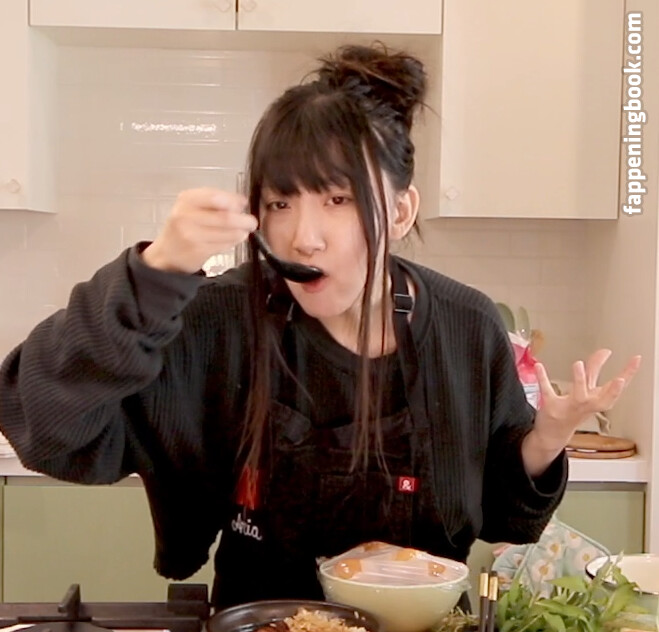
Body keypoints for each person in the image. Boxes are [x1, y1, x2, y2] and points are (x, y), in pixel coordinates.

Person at [0, 44, 640, 609]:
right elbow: (47, 427)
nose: (303, 237)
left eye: (338, 199)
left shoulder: (465, 327)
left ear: (400, 210)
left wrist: (546, 439)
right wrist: (154, 276)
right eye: (279, 203)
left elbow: (507, 522)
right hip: (256, 619)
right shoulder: (220, 322)